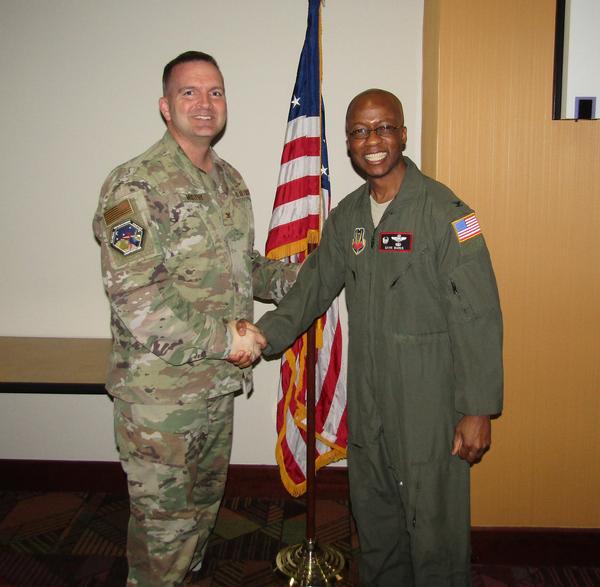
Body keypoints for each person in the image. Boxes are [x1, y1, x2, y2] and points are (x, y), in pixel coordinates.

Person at [254, 89, 503, 586]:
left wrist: (477, 410)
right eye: (361, 131)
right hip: (369, 405)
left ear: (403, 134)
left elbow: (479, 315)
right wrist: (262, 338)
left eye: (384, 127)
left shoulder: (449, 213)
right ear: (348, 143)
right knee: (377, 526)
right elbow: (312, 290)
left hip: (430, 407)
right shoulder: (348, 216)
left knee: (436, 535)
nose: (373, 140)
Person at [92, 51, 290, 587]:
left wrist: (304, 279)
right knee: (164, 542)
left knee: (200, 526)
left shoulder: (229, 182)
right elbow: (139, 300)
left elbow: (242, 268)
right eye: (189, 93)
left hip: (214, 392)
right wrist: (227, 339)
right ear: (165, 106)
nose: (205, 104)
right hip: (161, 403)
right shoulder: (133, 187)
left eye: (215, 92)